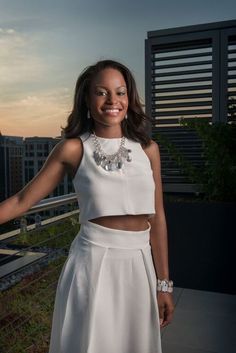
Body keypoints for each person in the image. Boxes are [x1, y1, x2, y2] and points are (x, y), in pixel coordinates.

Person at [0, 59, 174, 353]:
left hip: (139, 263)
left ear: (129, 97)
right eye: (101, 92)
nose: (112, 101)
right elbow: (21, 201)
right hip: (93, 264)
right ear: (86, 98)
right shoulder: (72, 148)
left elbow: (157, 220)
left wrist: (164, 283)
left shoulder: (148, 149)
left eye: (120, 92)